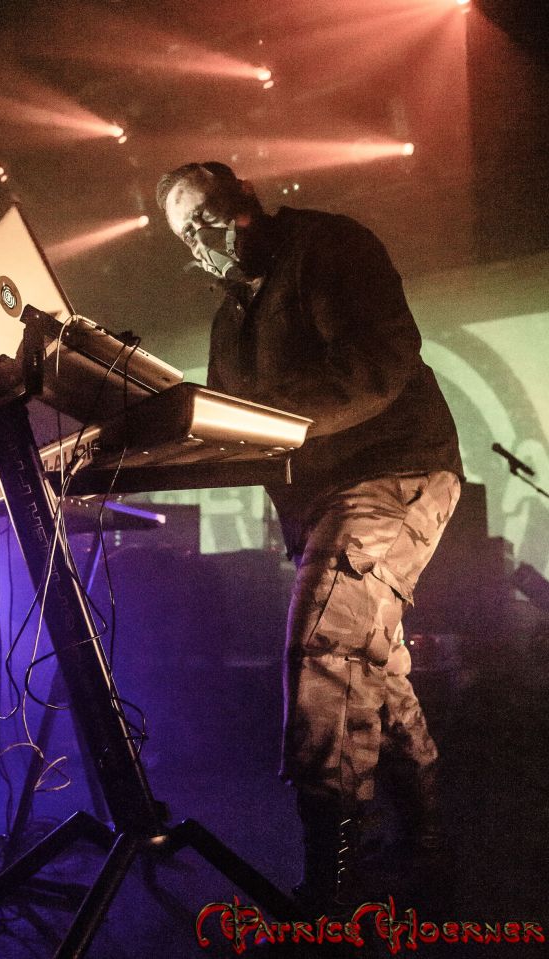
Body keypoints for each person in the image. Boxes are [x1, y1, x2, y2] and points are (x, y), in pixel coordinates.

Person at [156, 161, 463, 912]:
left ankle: (333, 886)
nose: (201, 239)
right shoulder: (228, 321)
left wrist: (263, 414)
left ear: (246, 198)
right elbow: (233, 431)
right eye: (186, 233)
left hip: (394, 471)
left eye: (207, 215)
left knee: (324, 655)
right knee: (374, 670)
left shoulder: (328, 247)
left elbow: (375, 365)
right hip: (324, 502)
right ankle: (426, 848)